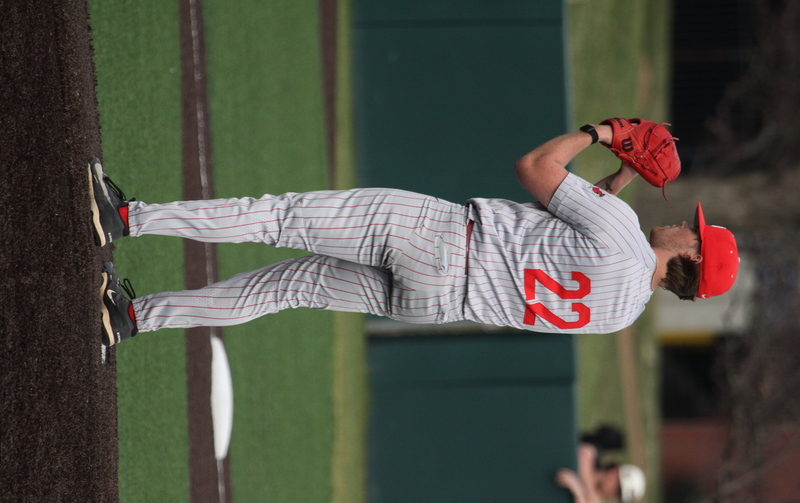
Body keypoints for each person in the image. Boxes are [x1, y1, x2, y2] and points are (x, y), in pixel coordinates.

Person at [90, 121, 740, 346]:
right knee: (287, 287)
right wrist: (621, 176)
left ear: (692, 253)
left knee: (280, 216)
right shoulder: (624, 311)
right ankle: (134, 317)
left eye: (695, 233)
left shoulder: (626, 235)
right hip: (439, 302)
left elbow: (537, 169)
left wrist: (604, 132)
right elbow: (572, 240)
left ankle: (128, 218)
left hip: (440, 237)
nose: (688, 224)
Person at [555, 439, 646, 503]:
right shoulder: (590, 455)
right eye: (618, 489)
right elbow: (582, 455)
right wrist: (585, 492)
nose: (614, 494)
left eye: (619, 495)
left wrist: (578, 492)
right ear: (614, 471)